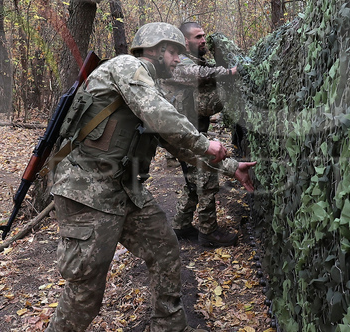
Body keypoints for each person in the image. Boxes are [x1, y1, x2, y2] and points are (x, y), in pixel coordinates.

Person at [46, 22, 256, 332]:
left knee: (163, 247)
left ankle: (169, 325)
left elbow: (176, 145)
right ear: (157, 50)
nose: (177, 61)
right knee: (85, 293)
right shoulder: (127, 66)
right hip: (86, 192)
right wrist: (204, 141)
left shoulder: (150, 89)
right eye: (174, 54)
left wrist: (229, 167)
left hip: (124, 189)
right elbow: (161, 115)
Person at [162, 21, 239, 247]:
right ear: (185, 41)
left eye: (204, 36)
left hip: (191, 132)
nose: (203, 40)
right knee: (206, 180)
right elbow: (199, 75)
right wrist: (230, 72)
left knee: (192, 183)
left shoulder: (194, 59)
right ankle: (209, 232)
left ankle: (181, 225)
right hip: (185, 135)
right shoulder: (179, 64)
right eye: (198, 37)